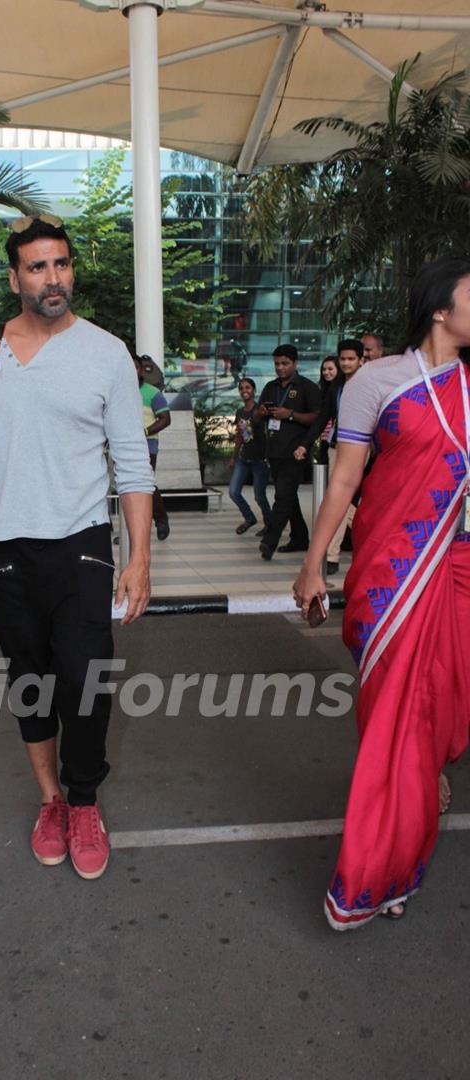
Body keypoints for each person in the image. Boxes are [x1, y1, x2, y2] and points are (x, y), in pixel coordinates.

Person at [0, 214, 155, 881]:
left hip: (82, 542)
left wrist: (140, 557)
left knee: (86, 678)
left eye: (60, 264)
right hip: (5, 547)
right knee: (31, 679)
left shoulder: (106, 353)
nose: (52, 278)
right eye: (37, 267)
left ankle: (84, 800)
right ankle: (51, 800)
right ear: (15, 277)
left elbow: (133, 463)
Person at [293, 256, 470, 930]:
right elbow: (344, 480)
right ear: (439, 309)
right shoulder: (377, 382)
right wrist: (316, 563)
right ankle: (373, 874)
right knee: (396, 716)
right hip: (389, 573)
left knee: (436, 709)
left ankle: (413, 819)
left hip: (452, 568)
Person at [297, 340, 363, 574]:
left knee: (342, 499)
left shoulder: (368, 385)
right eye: (342, 359)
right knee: (339, 499)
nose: (346, 363)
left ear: (361, 360)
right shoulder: (336, 388)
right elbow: (323, 417)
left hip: (363, 450)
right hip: (337, 448)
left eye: (351, 359)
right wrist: (306, 444)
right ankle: (333, 555)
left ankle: (373, 532)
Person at [257, 345, 320, 560]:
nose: (280, 368)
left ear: (295, 363)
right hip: (274, 450)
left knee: (282, 497)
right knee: (289, 496)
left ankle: (269, 542)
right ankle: (300, 537)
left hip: (296, 451)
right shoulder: (270, 387)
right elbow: (257, 416)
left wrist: (290, 414)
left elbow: (317, 417)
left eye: (285, 363)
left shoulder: (306, 387)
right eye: (277, 364)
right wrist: (263, 412)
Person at [228, 377, 272, 535]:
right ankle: (249, 517)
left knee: (259, 496)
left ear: (254, 390)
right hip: (244, 458)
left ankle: (270, 524)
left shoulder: (261, 409)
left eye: (247, 387)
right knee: (233, 492)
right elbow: (240, 435)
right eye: (241, 388)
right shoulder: (240, 412)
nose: (244, 391)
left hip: (260, 459)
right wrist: (234, 457)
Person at [134, 353, 170, 541]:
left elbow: (166, 419)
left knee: (145, 485)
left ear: (141, 370)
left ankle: (161, 519)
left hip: (147, 447)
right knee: (128, 489)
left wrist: (145, 432)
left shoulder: (153, 393)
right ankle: (131, 531)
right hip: (122, 447)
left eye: (136, 367)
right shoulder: (116, 392)